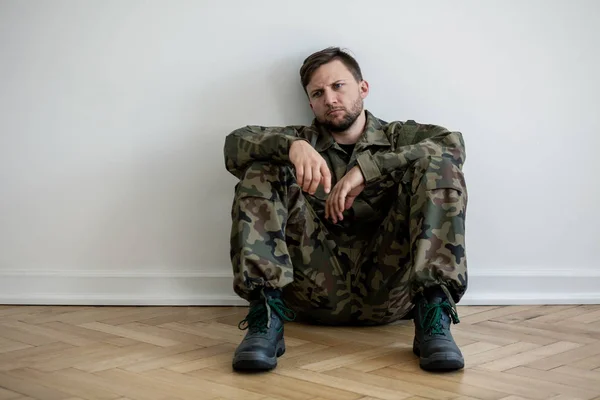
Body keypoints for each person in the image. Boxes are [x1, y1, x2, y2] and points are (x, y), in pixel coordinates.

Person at [223, 47, 468, 373]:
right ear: (311, 103)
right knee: (263, 167)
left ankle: (434, 317)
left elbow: (452, 145)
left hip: (393, 290)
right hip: (309, 292)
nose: (330, 99)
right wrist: (291, 147)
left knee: (440, 166)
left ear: (362, 88)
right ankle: (266, 317)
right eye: (318, 93)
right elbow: (235, 144)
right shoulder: (302, 140)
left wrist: (371, 167)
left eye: (339, 86)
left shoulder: (399, 137)